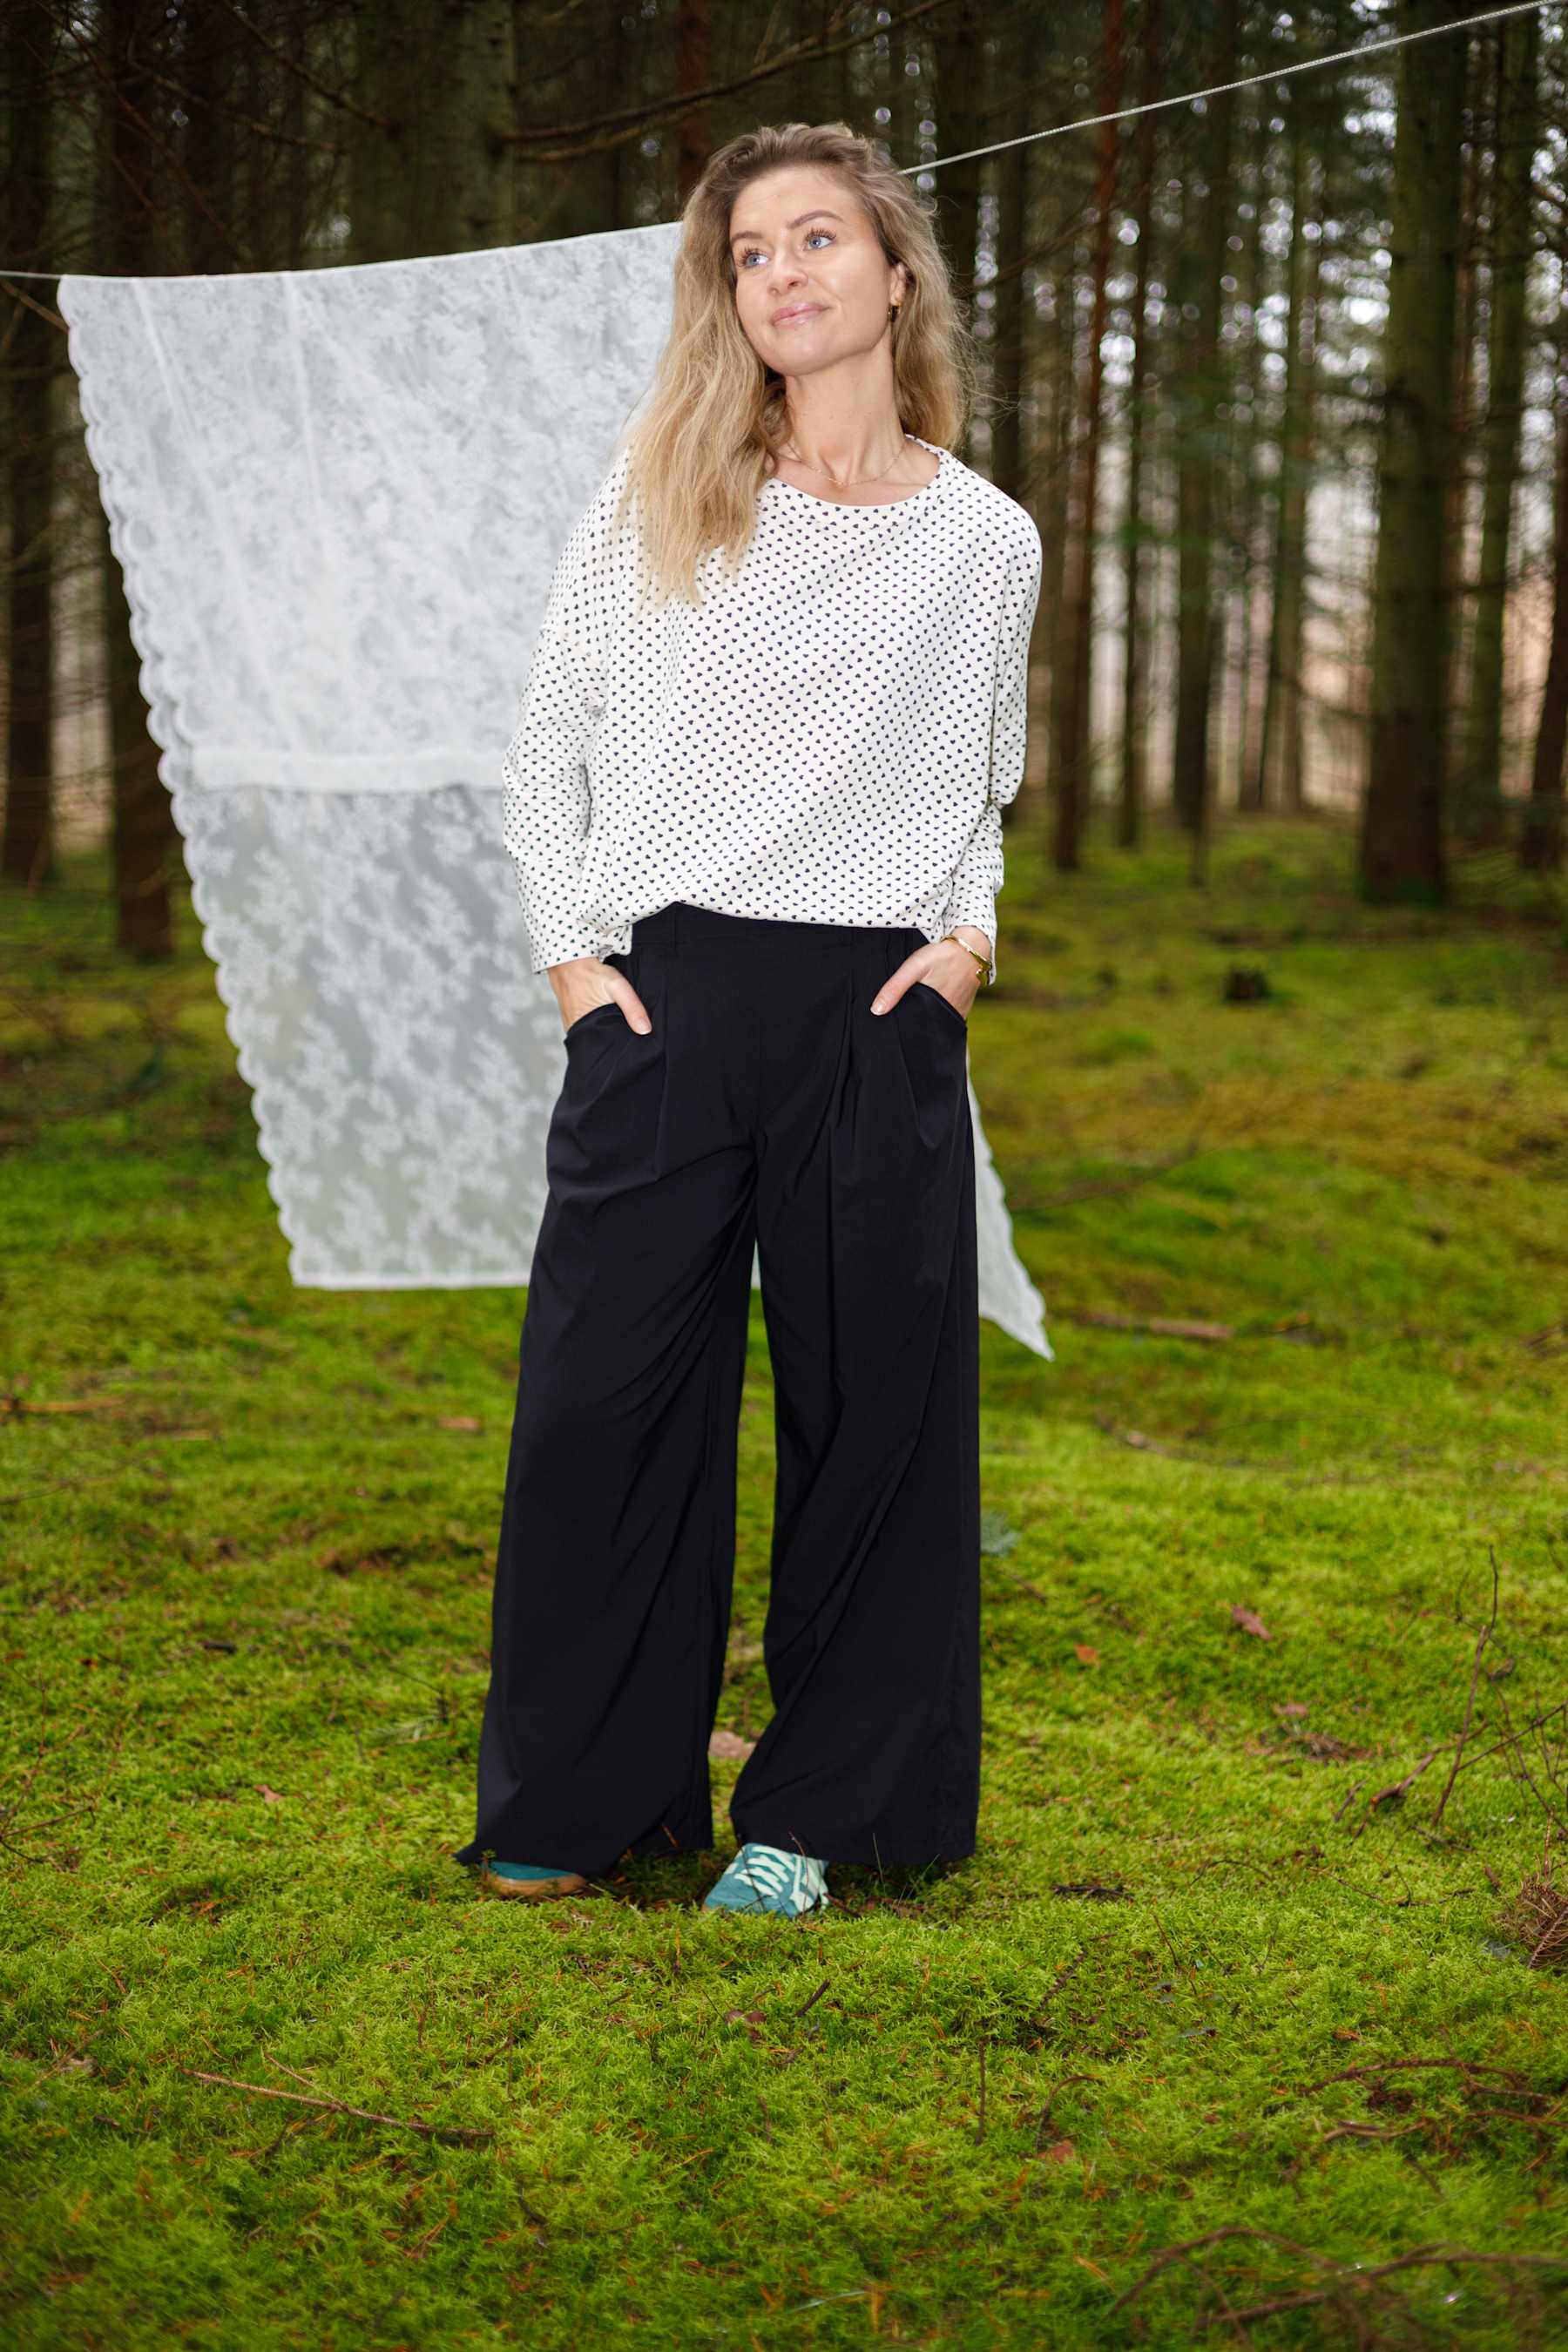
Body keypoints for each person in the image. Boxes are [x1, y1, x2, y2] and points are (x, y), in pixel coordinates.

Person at [453, 120, 1041, 1917]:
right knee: (604, 1404)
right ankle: (580, 1801)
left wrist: (967, 945)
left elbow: (981, 784)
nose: (782, 273)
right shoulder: (666, 495)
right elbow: (545, 751)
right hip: (667, 1000)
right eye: (749, 253)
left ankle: (823, 1820)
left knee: (877, 1425)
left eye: (815, 239)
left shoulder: (985, 539)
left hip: (874, 1014)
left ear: (895, 274)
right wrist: (579, 968)